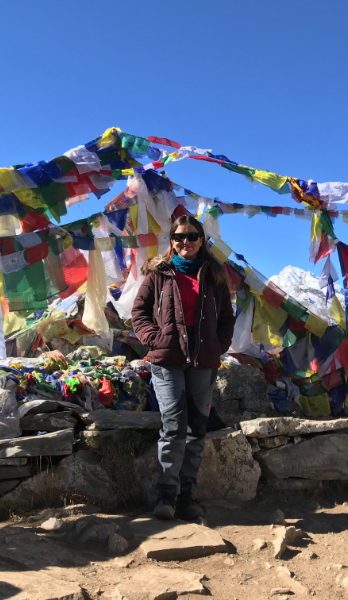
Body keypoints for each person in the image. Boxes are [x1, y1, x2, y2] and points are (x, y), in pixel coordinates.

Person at [131, 215, 235, 520]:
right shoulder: (158, 274)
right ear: (171, 242)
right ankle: (166, 494)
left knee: (196, 428)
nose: (185, 243)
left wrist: (219, 345)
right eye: (178, 238)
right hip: (167, 358)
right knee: (174, 423)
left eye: (191, 237)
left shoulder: (214, 275)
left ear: (202, 240)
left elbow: (227, 317)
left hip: (203, 359)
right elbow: (139, 312)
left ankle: (187, 495)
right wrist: (154, 338)